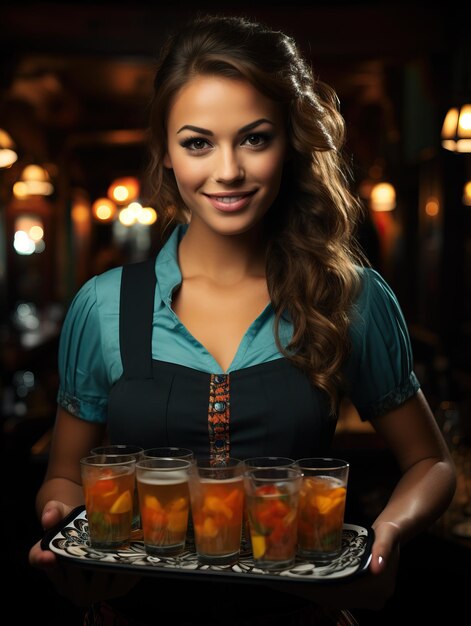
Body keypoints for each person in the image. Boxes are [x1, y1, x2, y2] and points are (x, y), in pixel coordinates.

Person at [29, 13, 456, 626]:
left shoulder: (350, 295)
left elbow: (430, 462)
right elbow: (66, 477)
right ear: (167, 155)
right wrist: (61, 528)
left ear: (291, 141)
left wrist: (386, 536)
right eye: (197, 142)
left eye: (254, 138)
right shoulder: (104, 305)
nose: (227, 170)